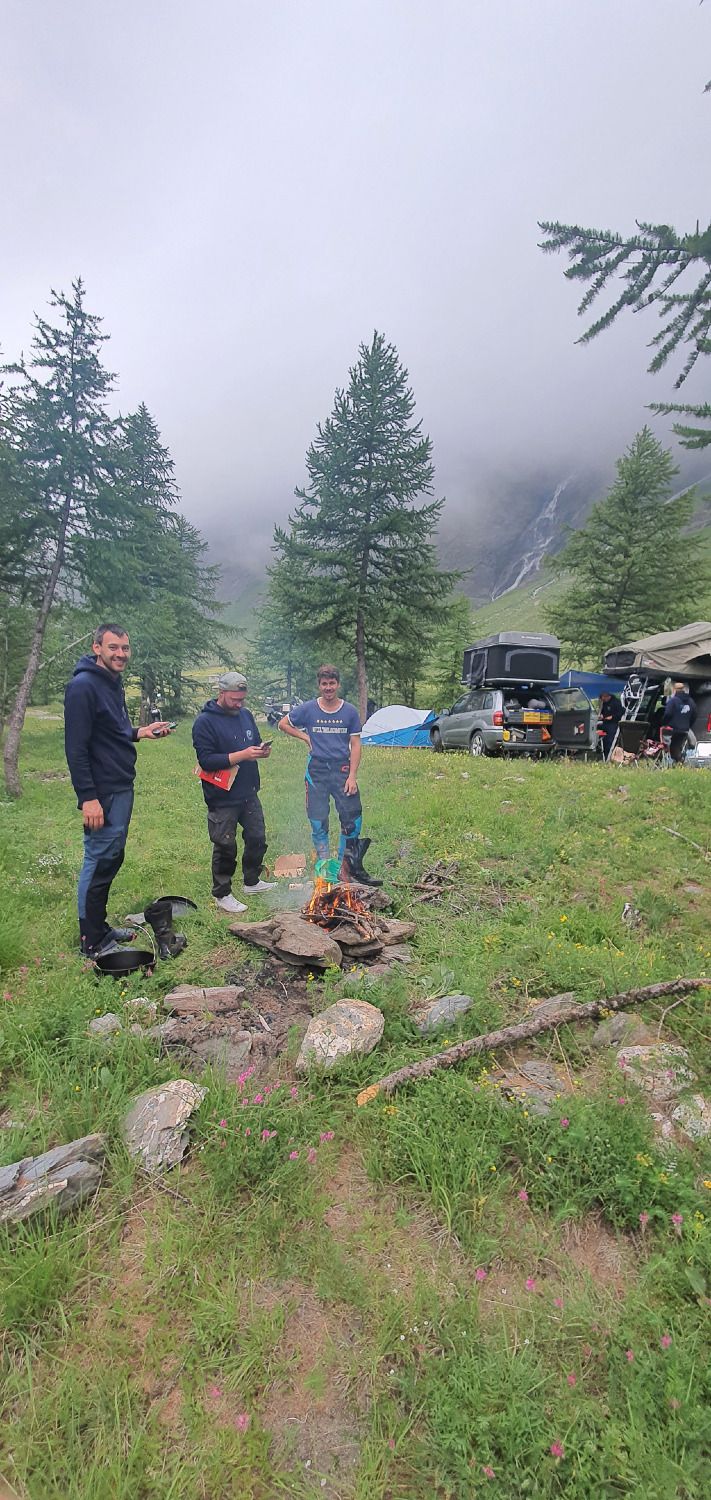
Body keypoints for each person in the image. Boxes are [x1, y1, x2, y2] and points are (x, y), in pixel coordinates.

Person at [64, 623, 173, 958]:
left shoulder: (111, 682)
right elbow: (76, 748)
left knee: (111, 857)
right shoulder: (83, 686)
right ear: (97, 648)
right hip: (103, 791)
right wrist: (88, 798)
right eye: (113, 647)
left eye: (125, 648)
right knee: (98, 860)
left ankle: (99, 927)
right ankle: (91, 942)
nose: (121, 654)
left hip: (121, 783)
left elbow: (112, 730)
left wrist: (141, 732)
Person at [278, 665, 379, 884]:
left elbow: (356, 744)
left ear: (338, 685)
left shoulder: (349, 711)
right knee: (318, 820)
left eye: (332, 683)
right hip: (316, 771)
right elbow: (283, 724)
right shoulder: (308, 709)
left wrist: (352, 776)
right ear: (319, 685)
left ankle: (345, 867)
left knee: (352, 819)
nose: (328, 688)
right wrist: (305, 737)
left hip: (342, 770)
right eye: (324, 684)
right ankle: (323, 866)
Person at [192, 671, 274, 913]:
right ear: (221, 693)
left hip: (248, 790)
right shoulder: (205, 722)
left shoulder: (245, 715)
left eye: (242, 699)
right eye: (235, 699)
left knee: (257, 837)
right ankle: (222, 893)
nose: (239, 704)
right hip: (222, 795)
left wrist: (261, 751)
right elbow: (207, 761)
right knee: (225, 844)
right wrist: (243, 755)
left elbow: (254, 742)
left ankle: (252, 881)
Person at [662, 680, 698, 763]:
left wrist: (664, 723)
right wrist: (688, 724)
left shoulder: (673, 701)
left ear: (674, 690)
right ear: (683, 689)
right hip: (684, 729)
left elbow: (668, 714)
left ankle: (671, 760)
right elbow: (695, 714)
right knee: (678, 745)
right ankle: (680, 759)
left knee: (669, 746)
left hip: (672, 729)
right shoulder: (691, 701)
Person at [598, 691, 623, 760]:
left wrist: (612, 717)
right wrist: (601, 716)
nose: (603, 699)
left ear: (607, 696)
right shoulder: (604, 703)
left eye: (603, 698)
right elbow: (603, 713)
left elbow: (620, 713)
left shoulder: (616, 702)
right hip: (605, 722)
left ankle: (609, 755)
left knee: (610, 739)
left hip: (614, 723)